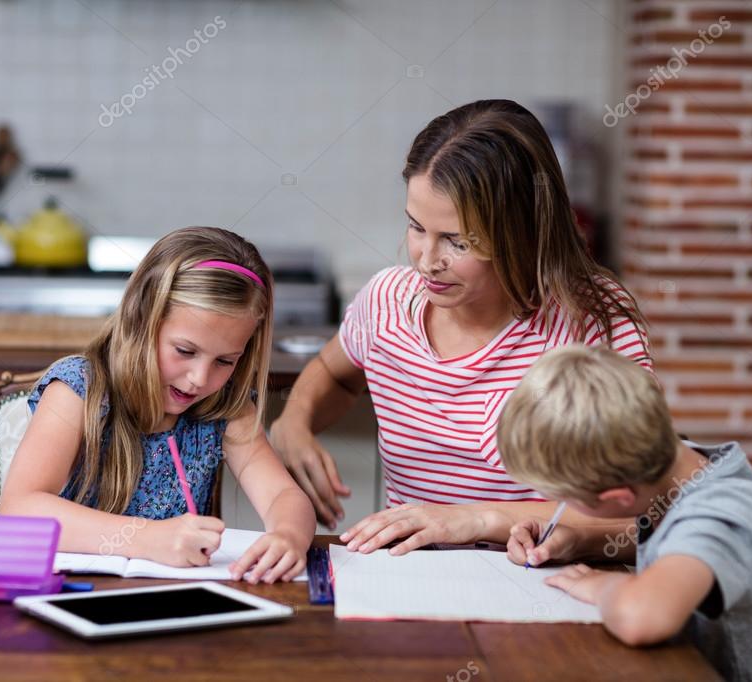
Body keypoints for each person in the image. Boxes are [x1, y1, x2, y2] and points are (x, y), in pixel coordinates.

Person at [270, 99, 651, 552]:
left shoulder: (594, 322)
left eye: (456, 241)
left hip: (536, 583)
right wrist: (294, 422)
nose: (428, 261)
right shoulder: (387, 302)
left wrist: (478, 520)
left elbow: (640, 519)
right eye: (416, 227)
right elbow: (335, 374)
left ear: (522, 231)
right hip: (407, 576)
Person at [0, 227, 315, 583]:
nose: (199, 378)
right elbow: (19, 509)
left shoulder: (225, 408)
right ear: (140, 321)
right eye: (185, 351)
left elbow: (283, 495)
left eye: (225, 361)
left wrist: (289, 535)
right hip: (75, 594)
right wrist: (147, 538)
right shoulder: (80, 391)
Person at [497, 345, 752, 680]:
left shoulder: (720, 512)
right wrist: (580, 540)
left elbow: (643, 618)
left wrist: (600, 586)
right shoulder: (680, 465)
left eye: (563, 498)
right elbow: (675, 543)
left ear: (619, 498)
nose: (559, 506)